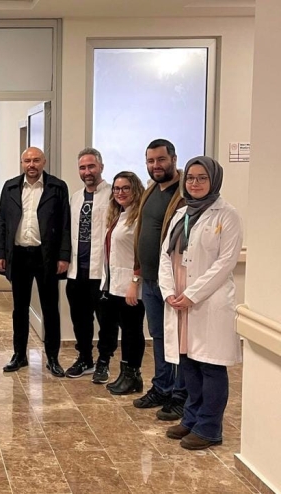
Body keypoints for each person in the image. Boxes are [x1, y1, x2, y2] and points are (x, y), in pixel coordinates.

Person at [160, 157, 243, 450]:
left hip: (207, 301)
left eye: (202, 178)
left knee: (211, 367)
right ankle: (191, 418)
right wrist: (168, 291)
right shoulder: (180, 213)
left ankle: (209, 428)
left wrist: (192, 294)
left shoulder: (227, 215)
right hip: (179, 299)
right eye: (191, 178)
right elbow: (165, 256)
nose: (194, 183)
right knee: (189, 364)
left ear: (214, 181)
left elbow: (225, 262)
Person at [0, 147, 71, 375]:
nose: (31, 165)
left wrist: (64, 255)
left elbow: (65, 224)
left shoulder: (57, 187)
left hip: (46, 256)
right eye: (27, 161)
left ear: (44, 162)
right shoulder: (10, 187)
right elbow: (1, 222)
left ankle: (53, 357)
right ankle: (19, 355)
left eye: (36, 160)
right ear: (22, 163)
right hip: (18, 255)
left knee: (50, 308)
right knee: (19, 309)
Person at [133, 139, 187, 420]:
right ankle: (162, 388)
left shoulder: (185, 193)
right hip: (150, 280)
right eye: (151, 161)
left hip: (174, 283)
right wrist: (138, 272)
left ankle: (181, 395)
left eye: (161, 159)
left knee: (179, 340)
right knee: (158, 336)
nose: (156, 165)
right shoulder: (151, 190)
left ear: (174, 159)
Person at [65, 147, 116, 383]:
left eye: (91, 166)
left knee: (106, 321)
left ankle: (103, 361)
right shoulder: (75, 198)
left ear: (101, 167)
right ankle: (85, 358)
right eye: (82, 167)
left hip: (102, 272)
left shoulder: (113, 195)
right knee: (80, 319)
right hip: (77, 271)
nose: (87, 172)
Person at [101, 172, 147, 395]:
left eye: (125, 188)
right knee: (125, 331)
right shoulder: (119, 215)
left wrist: (135, 281)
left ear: (135, 190)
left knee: (132, 332)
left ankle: (132, 376)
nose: (120, 192)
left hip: (131, 286)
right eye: (117, 188)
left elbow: (142, 253)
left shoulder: (140, 218)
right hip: (115, 285)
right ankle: (126, 374)